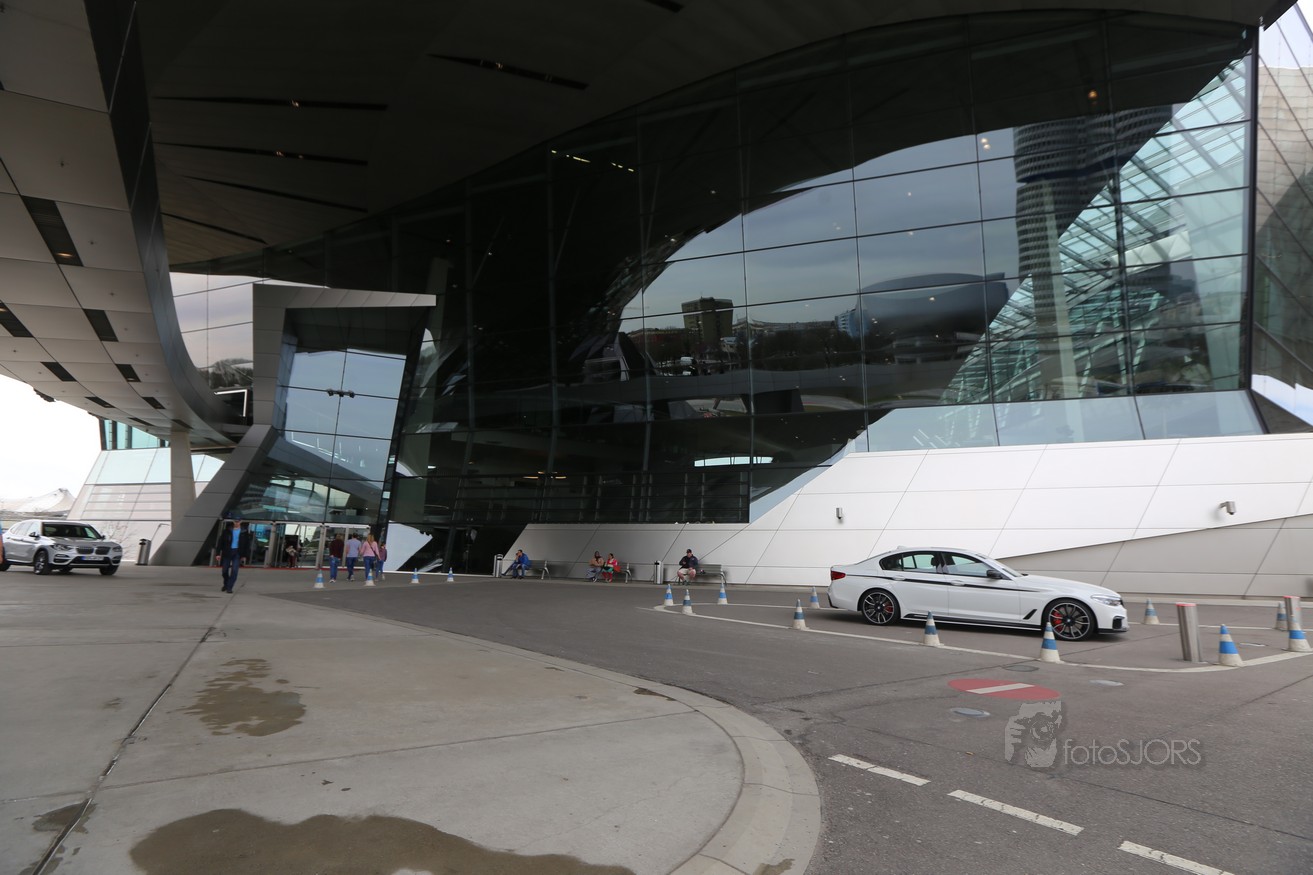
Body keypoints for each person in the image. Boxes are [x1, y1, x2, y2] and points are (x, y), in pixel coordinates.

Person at [216, 521, 252, 593]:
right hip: (227, 552)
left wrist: (245, 555)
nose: (236, 523)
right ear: (233, 522)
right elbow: (220, 542)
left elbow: (247, 545)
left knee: (234, 571)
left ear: (240, 522)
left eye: (238, 522)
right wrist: (218, 553)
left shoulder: (244, 532)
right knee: (224, 571)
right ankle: (226, 583)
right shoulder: (226, 531)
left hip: (237, 553)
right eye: (235, 521)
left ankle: (229, 587)